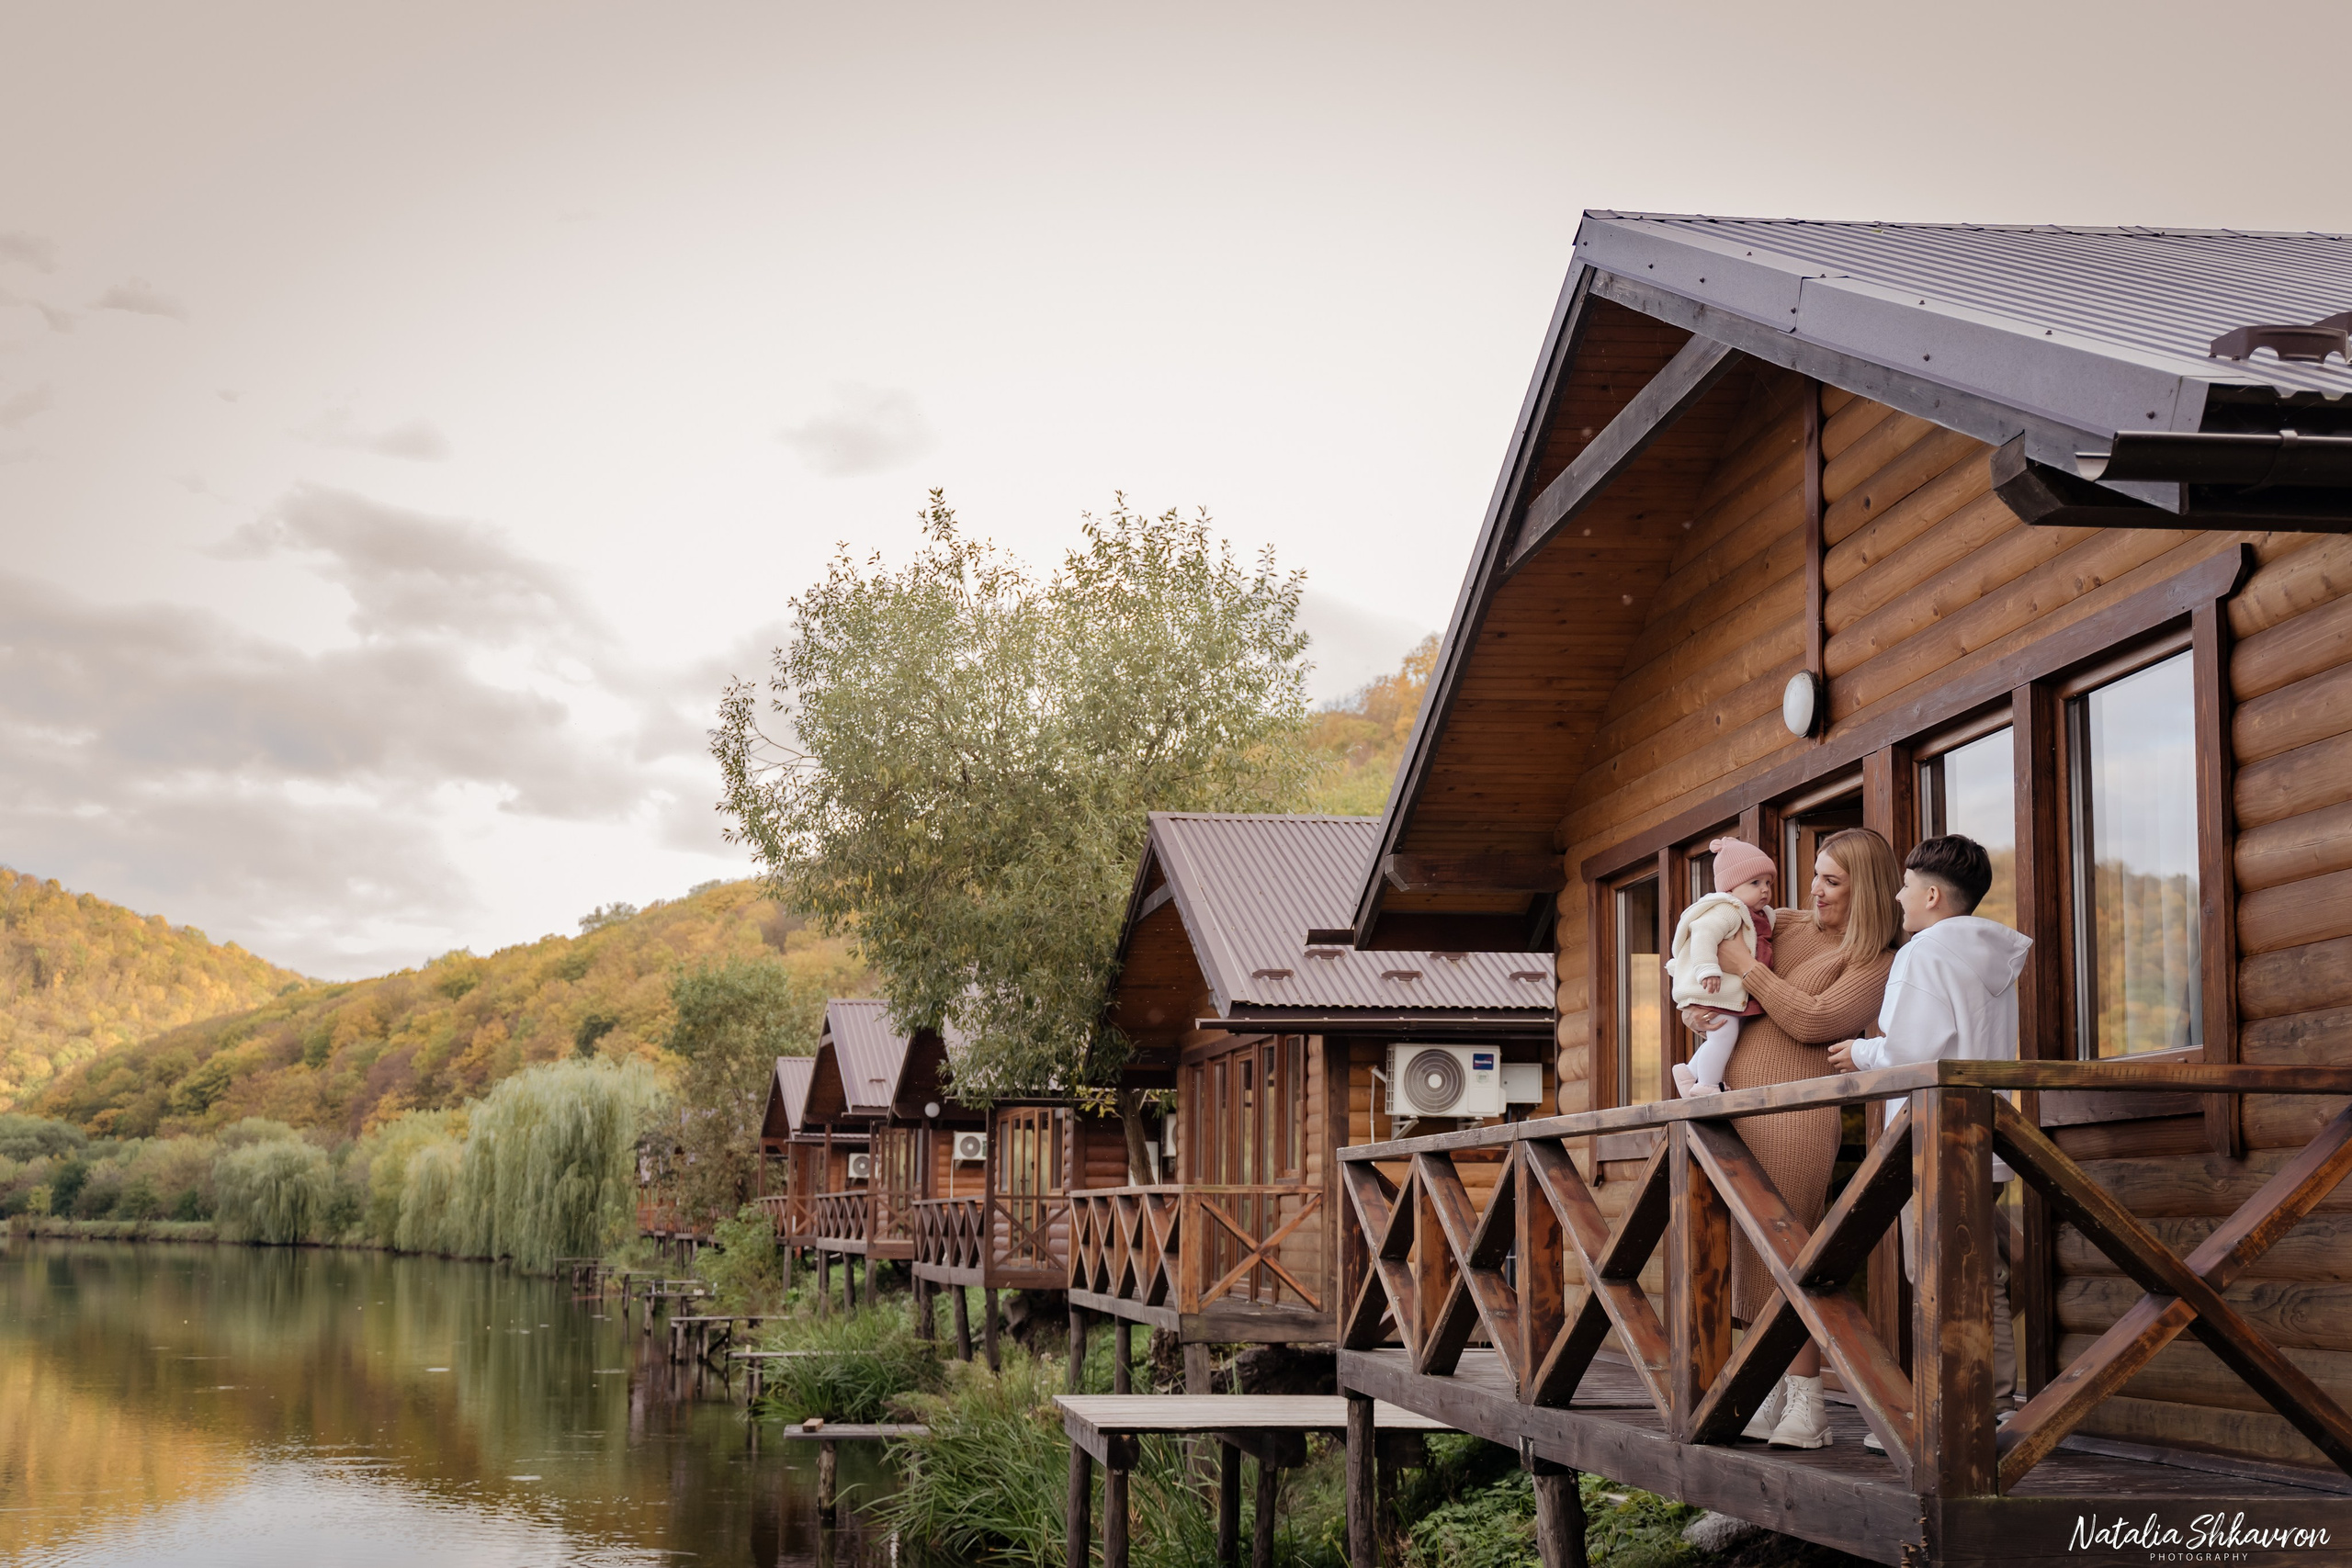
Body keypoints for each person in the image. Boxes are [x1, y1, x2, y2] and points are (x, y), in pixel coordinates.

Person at [1681, 826, 1903, 1450]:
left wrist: (1746, 969)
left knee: (1790, 1253)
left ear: (1868, 888)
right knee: (1749, 1255)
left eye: (1833, 880)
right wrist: (1698, 1005)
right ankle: (1772, 1390)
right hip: (1735, 1109)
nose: (1816, 890)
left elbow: (1815, 1022)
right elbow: (1708, 951)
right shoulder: (1782, 923)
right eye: (1815, 875)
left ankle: (1811, 1406)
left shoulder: (1877, 957)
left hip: (1797, 1118)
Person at [1827, 833, 2031, 1443]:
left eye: (1906, 885)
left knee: (1935, 1273)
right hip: (1987, 1136)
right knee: (1982, 1271)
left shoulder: (1922, 954)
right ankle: (1990, 1403)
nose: (1898, 895)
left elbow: (1913, 1053)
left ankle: (1943, 1413)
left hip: (1935, 1137)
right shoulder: (1992, 958)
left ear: (1933, 894)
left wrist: (1858, 1049)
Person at [1667, 837, 1776, 1097]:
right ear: (1730, 889)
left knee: (1722, 1033)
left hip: (1722, 991)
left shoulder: (1761, 916)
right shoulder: (1727, 910)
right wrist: (1708, 969)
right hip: (1712, 989)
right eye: (1755, 883)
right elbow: (1703, 934)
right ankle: (1706, 1085)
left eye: (1768, 883)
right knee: (1724, 1034)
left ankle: (1689, 1073)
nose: (1765, 890)